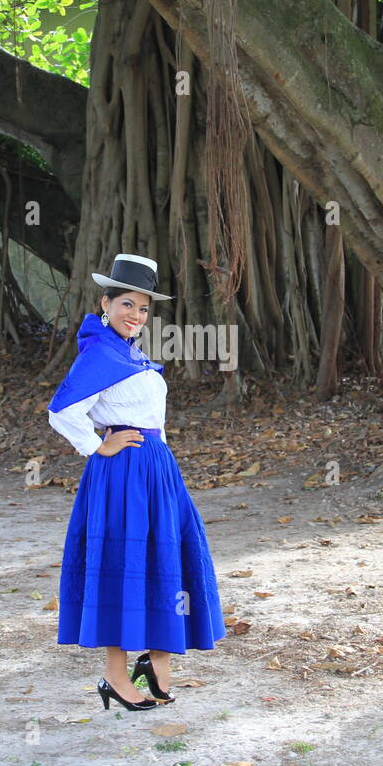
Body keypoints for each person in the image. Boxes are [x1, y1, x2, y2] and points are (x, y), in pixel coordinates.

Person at [47, 253, 226, 712]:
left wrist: (163, 463)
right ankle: (113, 675)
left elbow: (153, 418)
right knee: (124, 562)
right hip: (121, 474)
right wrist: (97, 446)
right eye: (127, 304)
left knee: (165, 556)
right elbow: (61, 411)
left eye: (144, 309)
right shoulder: (100, 353)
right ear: (105, 303)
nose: (135, 316)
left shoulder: (132, 353)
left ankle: (158, 659)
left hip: (156, 470)